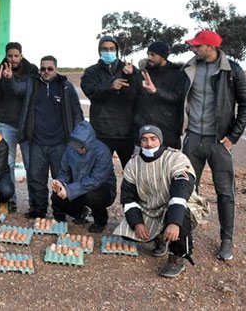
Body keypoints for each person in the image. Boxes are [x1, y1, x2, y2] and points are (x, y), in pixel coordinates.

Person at [181, 29, 246, 261]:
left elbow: (245, 104)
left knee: (225, 192)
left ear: (211, 47)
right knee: (187, 188)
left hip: (219, 141)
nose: (194, 49)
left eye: (198, 46)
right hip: (192, 139)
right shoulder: (190, 67)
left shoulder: (232, 71)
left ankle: (226, 240)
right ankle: (186, 233)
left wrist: (233, 137)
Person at [114, 125, 205, 278]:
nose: (149, 144)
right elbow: (127, 198)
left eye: (153, 139)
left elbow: (181, 192)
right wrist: (137, 223)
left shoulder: (176, 158)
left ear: (160, 140)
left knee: (181, 217)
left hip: (179, 204)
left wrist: (174, 222)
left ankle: (177, 256)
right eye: (144, 140)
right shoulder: (133, 164)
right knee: (127, 232)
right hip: (151, 207)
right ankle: (160, 239)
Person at [11, 55, 84, 220]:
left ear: (56, 69)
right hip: (37, 142)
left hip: (60, 144)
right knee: (36, 179)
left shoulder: (66, 87)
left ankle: (59, 212)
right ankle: (38, 211)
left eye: (49, 69)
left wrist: (79, 139)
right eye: (42, 68)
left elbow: (77, 112)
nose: (46, 71)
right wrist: (8, 79)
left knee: (60, 180)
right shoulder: (33, 84)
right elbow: (16, 89)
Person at [0, 42, 36, 212]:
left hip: (27, 124)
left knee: (31, 165)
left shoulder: (32, 71)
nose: (13, 59)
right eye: (10, 56)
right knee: (6, 164)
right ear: (6, 55)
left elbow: (22, 92)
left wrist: (9, 80)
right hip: (6, 124)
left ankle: (35, 203)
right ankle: (10, 201)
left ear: (21, 55)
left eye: (16, 56)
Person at [81, 35, 139, 170]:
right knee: (101, 172)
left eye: (112, 49)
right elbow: (90, 92)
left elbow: (136, 94)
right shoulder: (91, 71)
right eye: (105, 49)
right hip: (102, 132)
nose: (108, 52)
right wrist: (110, 87)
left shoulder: (129, 69)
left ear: (117, 50)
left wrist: (130, 76)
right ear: (99, 50)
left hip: (127, 132)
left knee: (132, 173)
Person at [50, 121, 116, 233]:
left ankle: (100, 221)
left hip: (101, 188)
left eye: (81, 146)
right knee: (57, 195)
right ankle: (79, 213)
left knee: (92, 196)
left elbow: (96, 180)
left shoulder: (102, 151)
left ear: (88, 143)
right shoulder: (70, 149)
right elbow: (64, 171)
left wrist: (69, 190)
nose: (77, 148)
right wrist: (60, 182)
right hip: (78, 185)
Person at [133, 41, 187, 149]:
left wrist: (156, 91)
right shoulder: (143, 73)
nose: (149, 57)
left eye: (153, 55)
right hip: (144, 130)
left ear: (163, 56)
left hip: (168, 132)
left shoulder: (177, 74)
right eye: (148, 54)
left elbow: (178, 97)